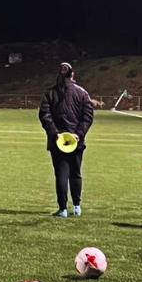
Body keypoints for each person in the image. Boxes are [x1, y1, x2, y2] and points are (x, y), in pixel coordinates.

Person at [38, 62, 94, 217]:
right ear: (72, 74)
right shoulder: (82, 93)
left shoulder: (50, 93)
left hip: (58, 142)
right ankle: (76, 206)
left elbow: (44, 115)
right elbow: (88, 117)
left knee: (61, 174)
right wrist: (78, 134)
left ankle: (63, 209)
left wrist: (55, 133)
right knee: (75, 173)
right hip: (76, 142)